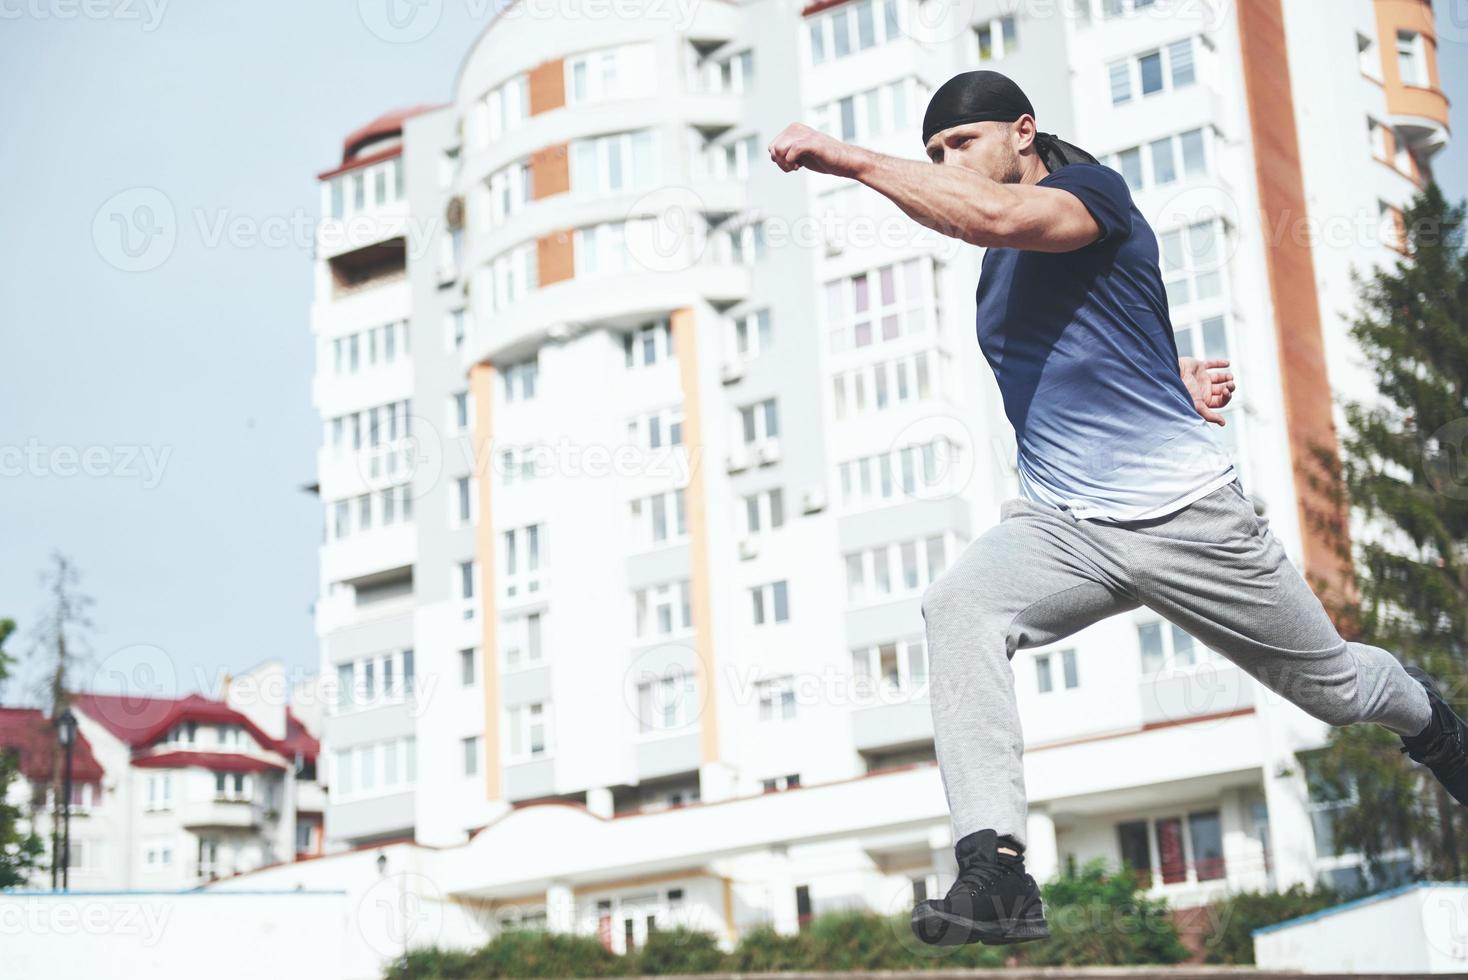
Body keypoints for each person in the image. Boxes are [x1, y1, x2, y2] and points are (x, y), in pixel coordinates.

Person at [768, 70, 1468, 947]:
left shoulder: (1091, 192)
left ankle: (1432, 721)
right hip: (1065, 527)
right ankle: (997, 868)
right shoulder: (996, 275)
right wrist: (1173, 377)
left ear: (1024, 132)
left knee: (1331, 690)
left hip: (1187, 520)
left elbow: (996, 216)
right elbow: (1100, 342)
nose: (949, 162)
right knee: (959, 606)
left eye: (963, 143)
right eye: (936, 154)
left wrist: (846, 157)